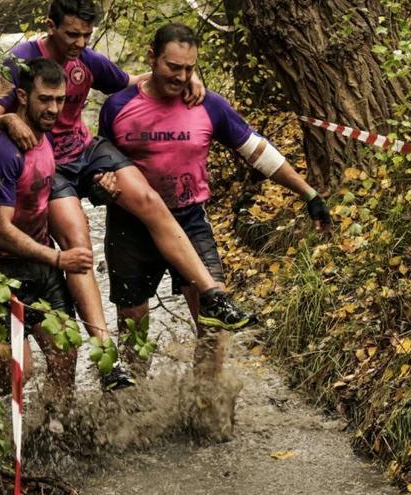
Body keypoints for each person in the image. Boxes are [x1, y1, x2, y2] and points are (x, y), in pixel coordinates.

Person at [0, 0, 248, 380]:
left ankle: (213, 294)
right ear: (50, 26)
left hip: (85, 149)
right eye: (71, 34)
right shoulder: (21, 62)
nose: (79, 42)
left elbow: (137, 82)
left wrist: (188, 80)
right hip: (47, 161)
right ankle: (106, 355)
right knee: (78, 241)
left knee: (148, 199)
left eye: (86, 35)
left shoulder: (88, 59)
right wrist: (7, 119)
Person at [98, 23, 332, 377]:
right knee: (134, 328)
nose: (181, 76)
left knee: (214, 315)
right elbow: (100, 165)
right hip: (131, 225)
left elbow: (257, 152)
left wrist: (307, 192)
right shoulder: (118, 106)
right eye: (173, 67)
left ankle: (205, 408)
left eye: (189, 68)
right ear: (152, 58)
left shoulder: (208, 104)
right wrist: (100, 186)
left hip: (189, 219)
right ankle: (134, 409)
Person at [0, 58, 116, 400]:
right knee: (13, 372)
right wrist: (58, 258)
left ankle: (57, 430)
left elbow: (44, 197)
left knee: (65, 352)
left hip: (40, 267)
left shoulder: (44, 138)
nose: (53, 109)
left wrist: (97, 187)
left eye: (60, 100)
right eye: (45, 100)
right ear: (22, 96)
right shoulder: (0, 152)